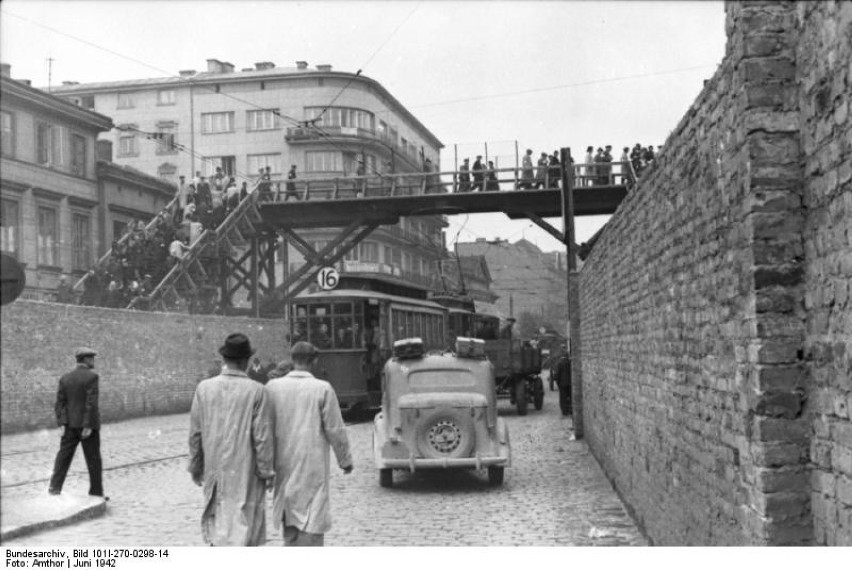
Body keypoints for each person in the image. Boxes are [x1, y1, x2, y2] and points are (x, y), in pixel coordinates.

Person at [188, 333, 275, 546]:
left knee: (217, 522)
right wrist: (267, 471)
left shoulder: (204, 388)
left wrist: (196, 465)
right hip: (246, 470)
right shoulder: (257, 391)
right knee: (244, 525)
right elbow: (262, 437)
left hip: (214, 469)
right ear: (245, 361)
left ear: (225, 359)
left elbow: (195, 434)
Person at [265, 342, 353, 547]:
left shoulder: (272, 388)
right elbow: (335, 428)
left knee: (289, 516)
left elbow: (263, 429)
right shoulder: (322, 388)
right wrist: (345, 460)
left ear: (292, 359)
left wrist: (264, 466)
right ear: (314, 361)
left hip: (283, 464)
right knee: (312, 518)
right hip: (312, 465)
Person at [48, 347, 106, 499]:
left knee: (63, 458)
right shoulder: (92, 377)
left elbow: (59, 403)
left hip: (69, 426)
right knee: (93, 460)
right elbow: (91, 404)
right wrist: (87, 425)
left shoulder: (65, 378)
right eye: (91, 358)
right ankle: (96, 493)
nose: (93, 361)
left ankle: (54, 489)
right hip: (87, 427)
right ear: (85, 360)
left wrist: (61, 423)